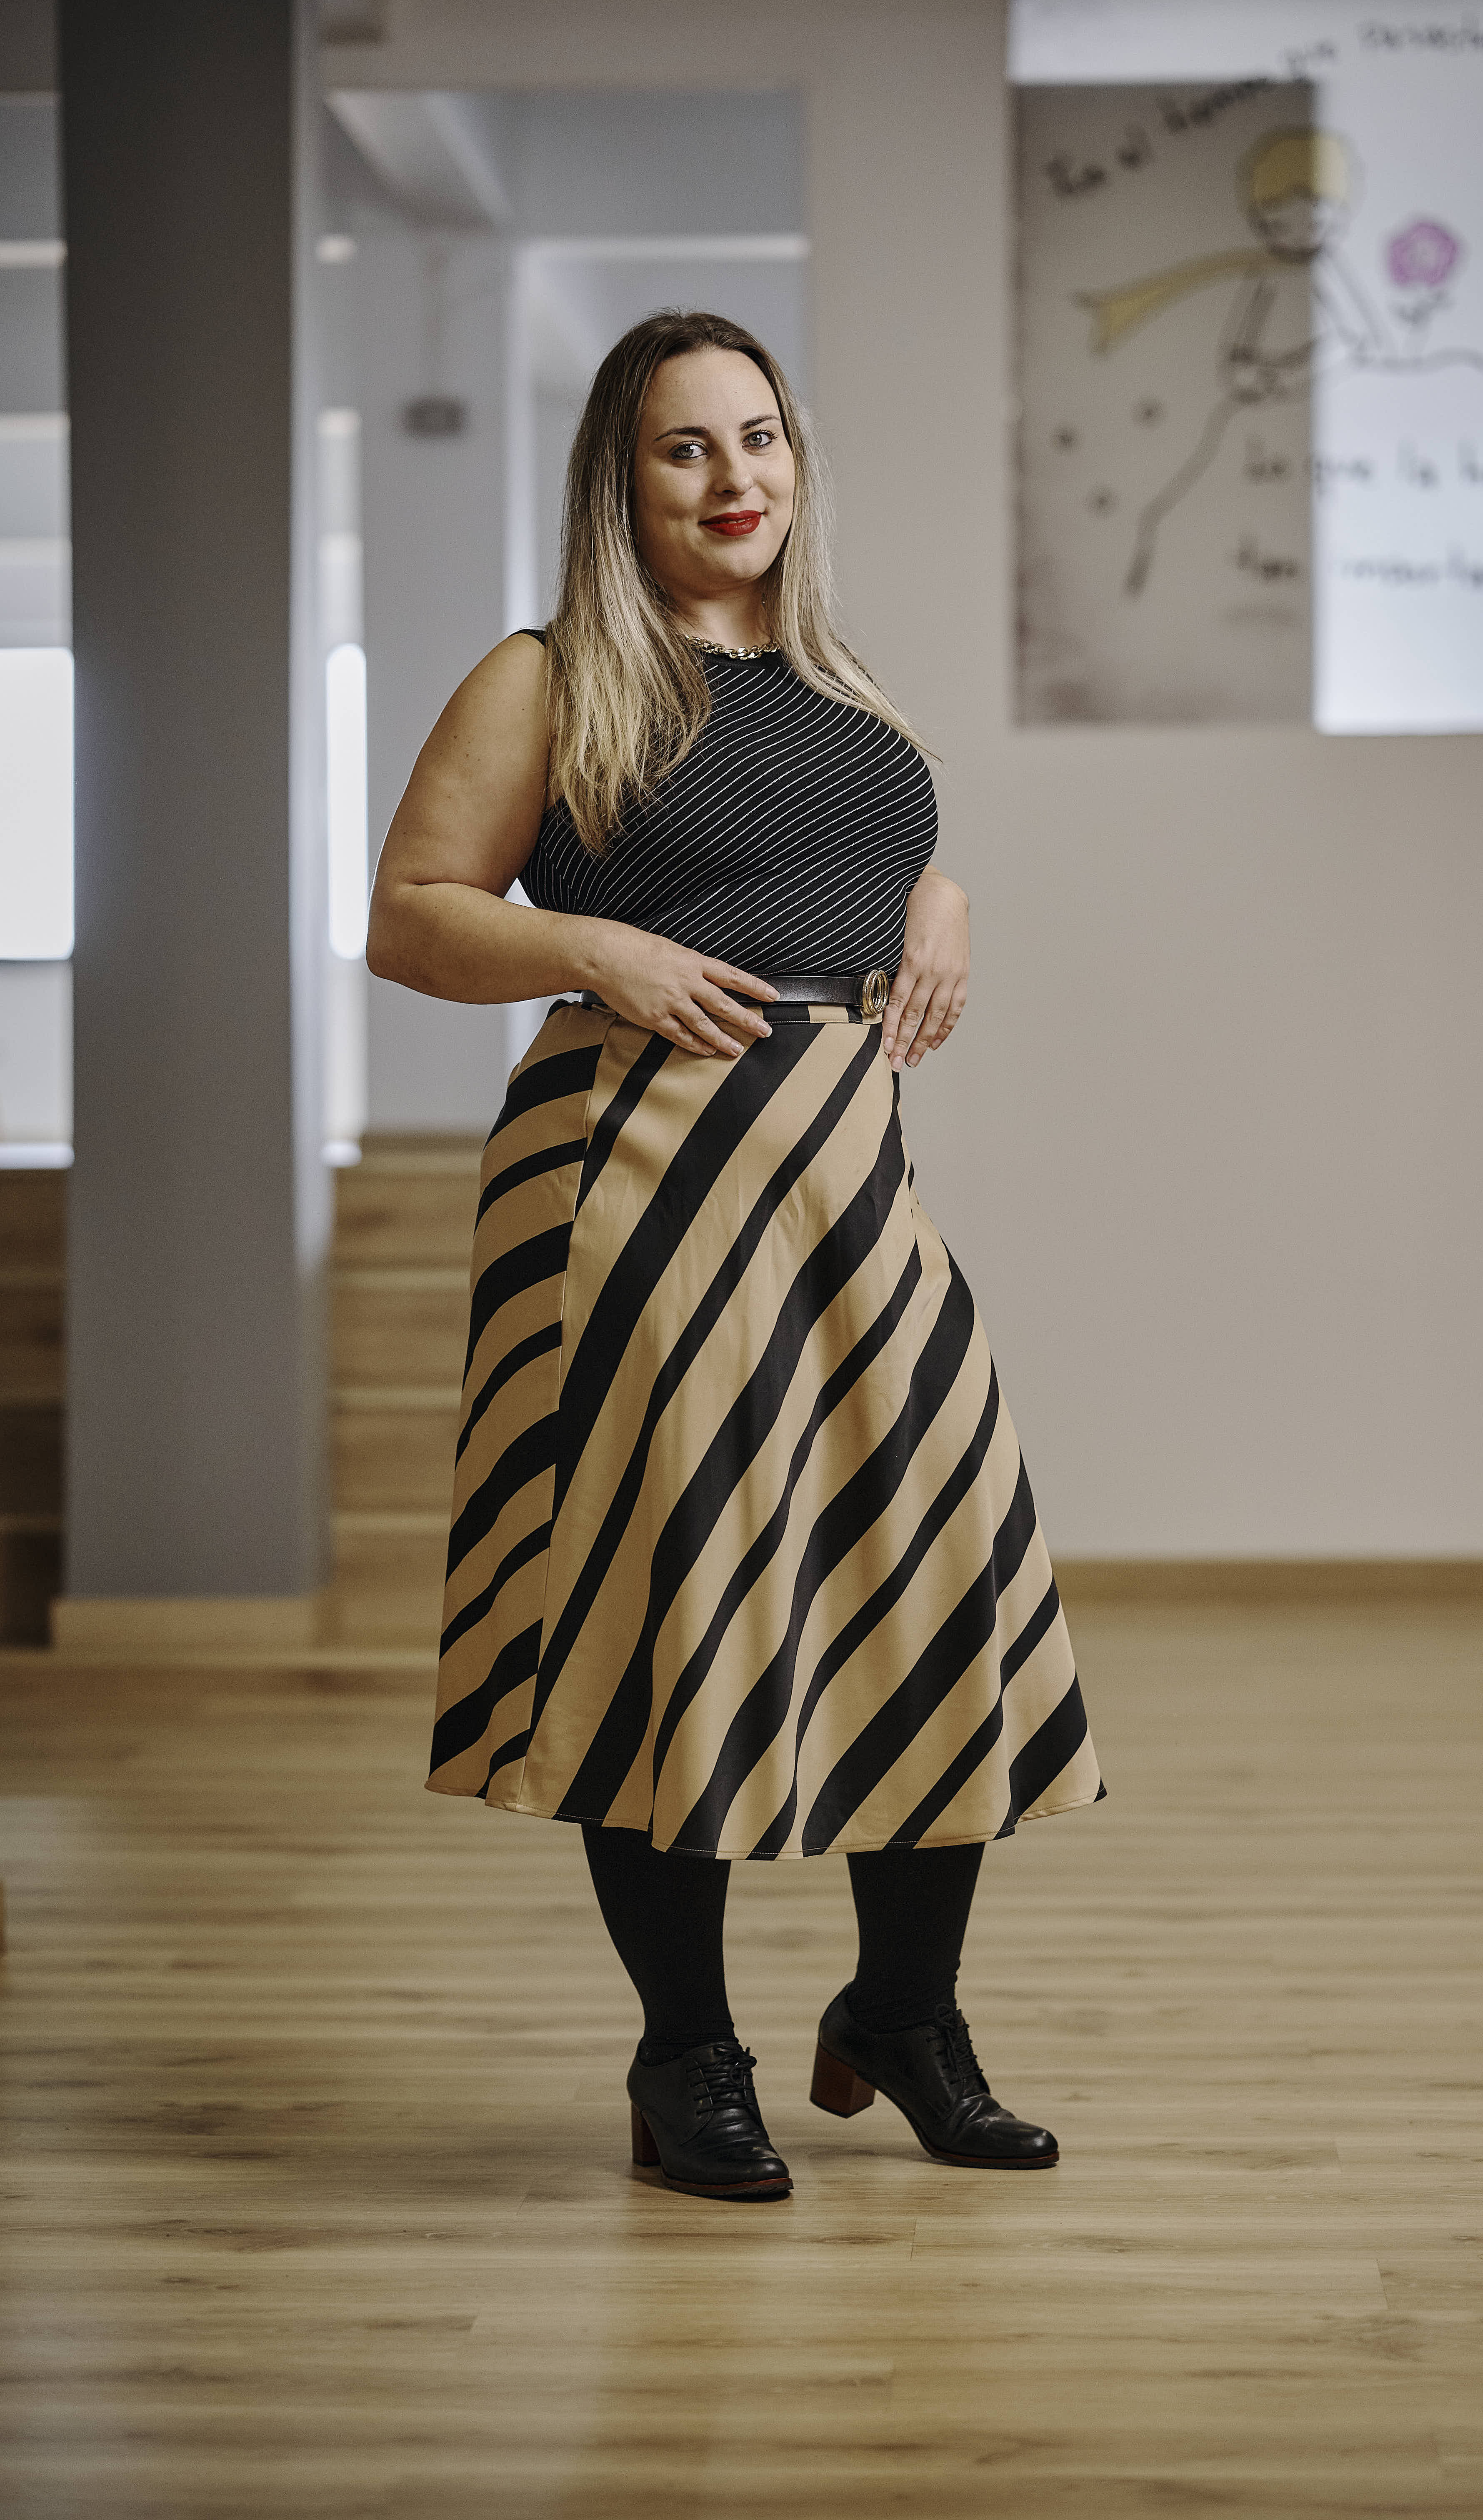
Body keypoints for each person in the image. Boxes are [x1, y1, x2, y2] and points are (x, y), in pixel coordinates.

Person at [368, 309, 1102, 2202]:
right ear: (620, 482)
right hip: (634, 1177)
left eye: (758, 436)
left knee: (937, 1575)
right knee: (661, 1598)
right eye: (684, 447)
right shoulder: (549, 675)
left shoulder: (838, 682)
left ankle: (905, 2017)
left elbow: (842, 861)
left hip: (846, 1173)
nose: (733, 477)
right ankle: (685, 2056)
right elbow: (412, 916)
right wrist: (592, 949)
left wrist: (941, 892)